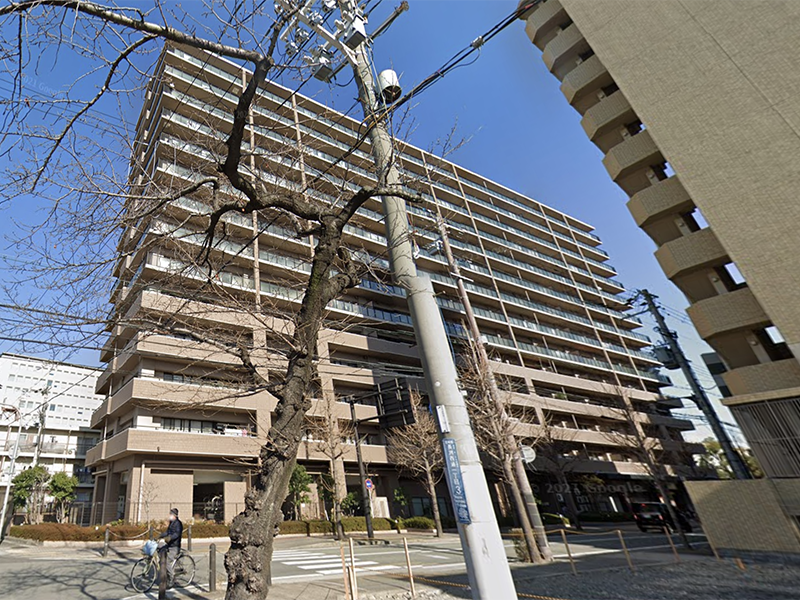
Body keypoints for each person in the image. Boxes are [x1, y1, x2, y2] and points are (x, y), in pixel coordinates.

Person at [158, 507, 183, 585]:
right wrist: (160, 536)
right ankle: (165, 572)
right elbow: (167, 532)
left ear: (174, 515)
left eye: (171, 514)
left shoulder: (178, 523)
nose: (170, 516)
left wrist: (170, 538)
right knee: (159, 549)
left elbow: (177, 534)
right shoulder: (171, 522)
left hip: (175, 546)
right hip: (169, 544)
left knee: (167, 561)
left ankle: (171, 578)